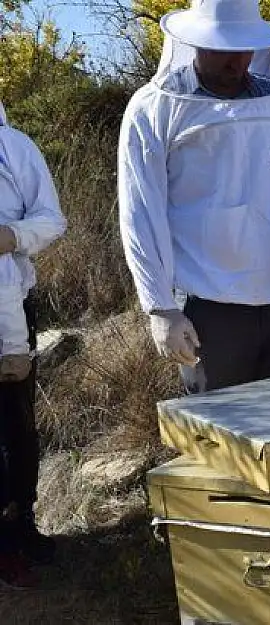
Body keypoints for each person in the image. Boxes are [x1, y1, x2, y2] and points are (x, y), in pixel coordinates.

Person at [118, 0, 270, 394]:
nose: (236, 63)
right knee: (225, 440)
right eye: (223, 50)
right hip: (208, 308)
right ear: (195, 42)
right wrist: (160, 307)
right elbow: (141, 213)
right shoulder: (154, 108)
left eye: (244, 49)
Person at [0, 100, 67, 588]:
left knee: (17, 427)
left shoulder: (16, 147)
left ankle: (22, 526)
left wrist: (12, 235)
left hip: (11, 309)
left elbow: (52, 219)